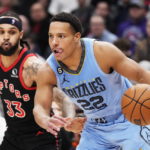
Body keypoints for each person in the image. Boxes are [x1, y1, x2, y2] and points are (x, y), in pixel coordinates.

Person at [33, 12, 150, 150]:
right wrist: (46, 121)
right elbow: (39, 108)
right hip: (95, 128)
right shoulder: (48, 70)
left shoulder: (102, 52)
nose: (54, 42)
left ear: (76, 37)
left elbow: (141, 75)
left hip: (129, 119)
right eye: (51, 36)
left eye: (61, 36)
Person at [0, 11, 63, 150]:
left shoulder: (34, 66)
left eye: (11, 32)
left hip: (40, 136)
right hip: (13, 135)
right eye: (1, 32)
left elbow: (60, 98)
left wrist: (61, 116)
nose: (5, 37)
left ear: (21, 34)